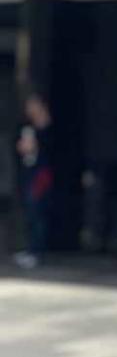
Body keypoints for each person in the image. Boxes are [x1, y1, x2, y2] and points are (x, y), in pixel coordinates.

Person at [13, 93, 54, 270]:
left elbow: (50, 150)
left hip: (42, 174)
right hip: (28, 171)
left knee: (37, 211)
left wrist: (35, 145)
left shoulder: (47, 127)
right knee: (30, 212)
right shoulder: (27, 127)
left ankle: (36, 252)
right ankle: (30, 249)